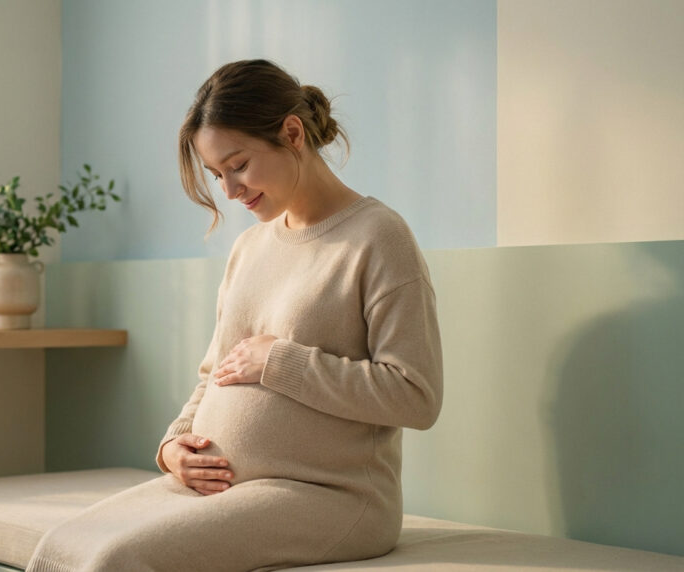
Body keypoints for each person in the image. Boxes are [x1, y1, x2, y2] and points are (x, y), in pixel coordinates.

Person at [26, 59, 443, 572]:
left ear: (292, 133)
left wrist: (281, 361)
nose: (229, 191)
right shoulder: (249, 247)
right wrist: (174, 444)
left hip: (329, 496)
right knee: (62, 548)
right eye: (217, 174)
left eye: (238, 165)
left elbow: (416, 396)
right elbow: (216, 372)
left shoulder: (378, 237)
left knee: (116, 558)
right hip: (223, 487)